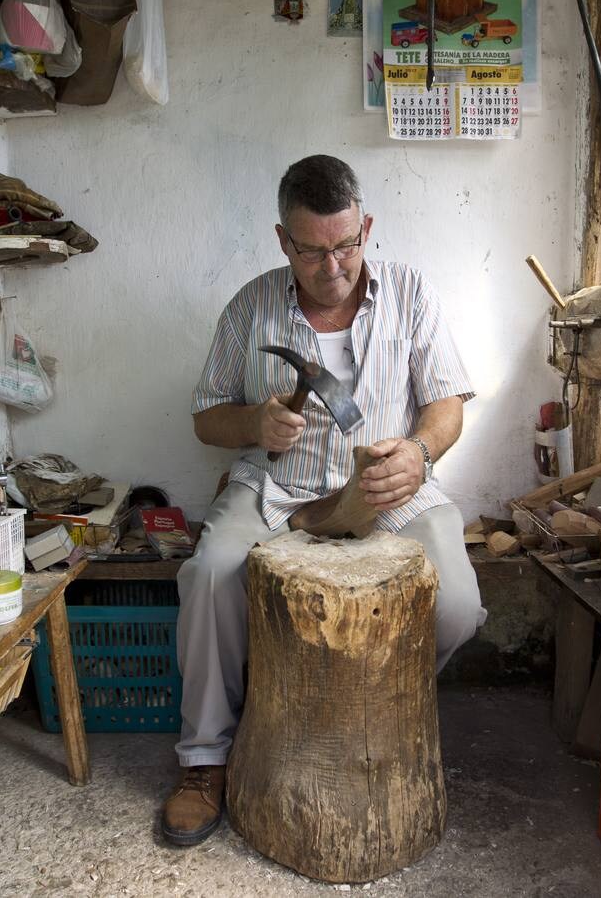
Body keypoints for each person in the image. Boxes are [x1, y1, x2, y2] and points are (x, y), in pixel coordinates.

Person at [162, 155, 486, 846]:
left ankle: (365, 708)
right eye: (313, 250)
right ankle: (205, 758)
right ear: (284, 241)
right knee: (210, 575)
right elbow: (205, 416)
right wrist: (253, 423)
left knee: (456, 605)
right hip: (279, 487)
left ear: (365, 227)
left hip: (386, 487)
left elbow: (448, 404)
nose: (333, 265)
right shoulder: (251, 306)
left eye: (345, 245)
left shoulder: (411, 293)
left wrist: (419, 453)